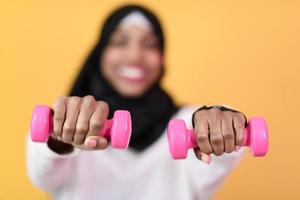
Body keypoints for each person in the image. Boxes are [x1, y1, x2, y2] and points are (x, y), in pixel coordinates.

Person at [26, 4, 246, 200]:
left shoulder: (188, 123)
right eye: (120, 42)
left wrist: (223, 121)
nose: (134, 56)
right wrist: (59, 140)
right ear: (100, 53)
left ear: (162, 58)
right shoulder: (62, 122)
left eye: (150, 45)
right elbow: (43, 175)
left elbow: (218, 159)